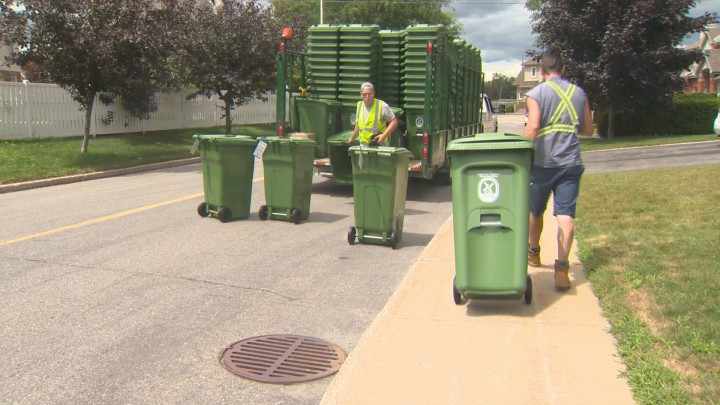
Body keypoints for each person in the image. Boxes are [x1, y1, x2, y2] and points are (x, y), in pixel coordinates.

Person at [522, 52, 594, 290]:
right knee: (565, 215)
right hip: (570, 163)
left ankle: (533, 252)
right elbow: (587, 130)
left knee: (535, 211)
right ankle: (562, 269)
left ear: (542, 71)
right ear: (563, 69)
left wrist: (520, 150)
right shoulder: (579, 93)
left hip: (543, 164)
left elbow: (533, 126)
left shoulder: (536, 93)